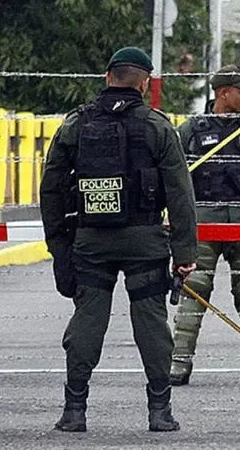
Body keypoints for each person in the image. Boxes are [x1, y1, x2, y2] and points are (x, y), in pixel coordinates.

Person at [40, 47, 198, 433]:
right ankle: (159, 411)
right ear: (144, 83)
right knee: (151, 324)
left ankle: (74, 410)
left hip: (91, 241)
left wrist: (60, 246)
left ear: (107, 76)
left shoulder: (75, 125)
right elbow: (180, 194)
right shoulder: (157, 126)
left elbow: (51, 190)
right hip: (144, 241)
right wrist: (184, 254)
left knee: (87, 321)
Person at [170, 65, 240, 387]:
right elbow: (176, 174)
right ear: (223, 93)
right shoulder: (191, 129)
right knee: (195, 290)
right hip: (204, 224)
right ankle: (178, 365)